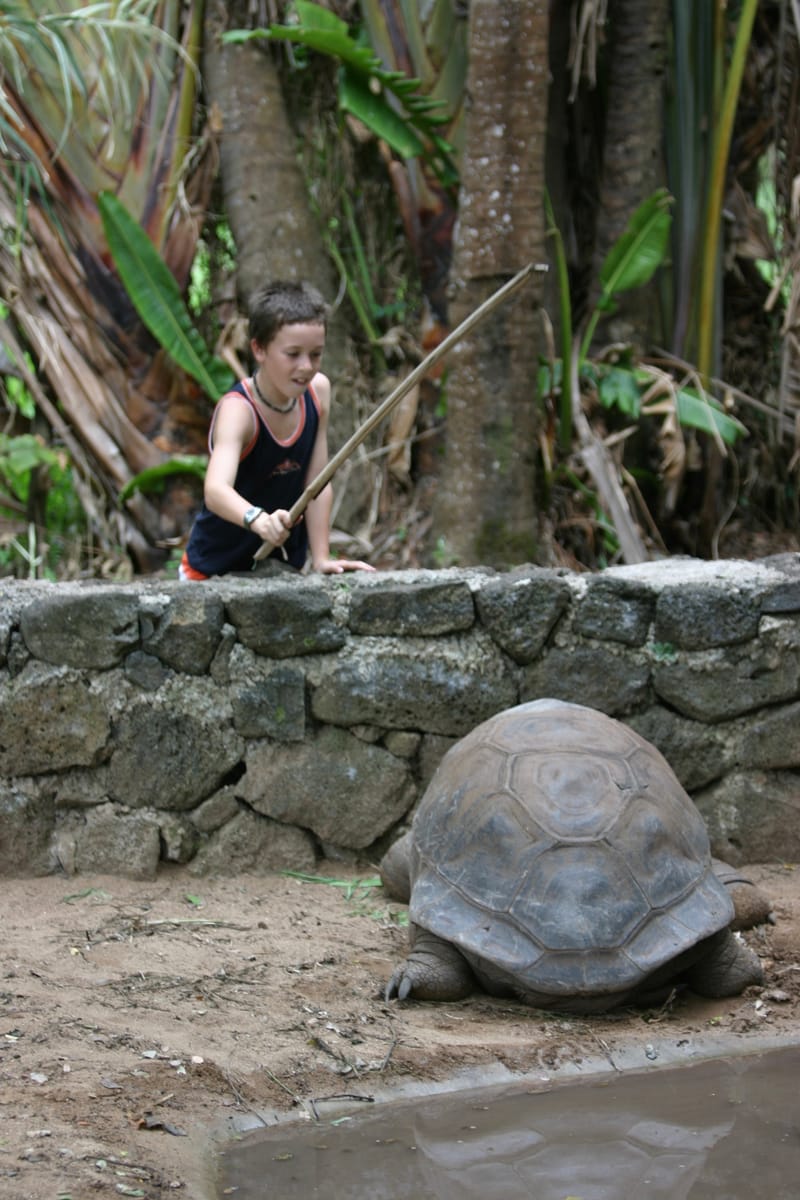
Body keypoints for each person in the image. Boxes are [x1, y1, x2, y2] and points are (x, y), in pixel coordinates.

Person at [180, 280, 374, 579]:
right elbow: (215, 490)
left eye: (315, 354)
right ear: (259, 348)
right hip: (211, 571)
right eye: (293, 354)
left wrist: (322, 558)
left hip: (280, 569)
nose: (306, 366)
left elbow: (317, 482)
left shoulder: (318, 391)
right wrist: (256, 519)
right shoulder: (239, 411)